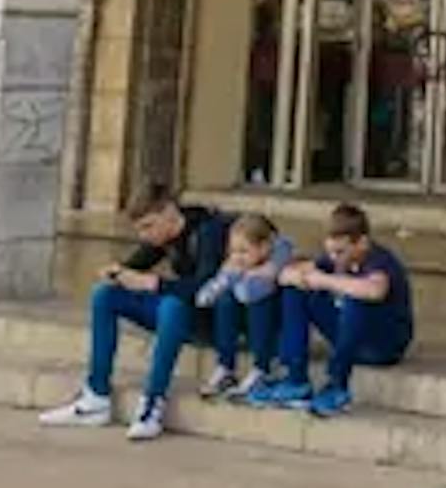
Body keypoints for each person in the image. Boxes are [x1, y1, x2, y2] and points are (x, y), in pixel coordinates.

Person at [38, 182, 230, 443]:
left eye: (148, 226)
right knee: (105, 296)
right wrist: (117, 273)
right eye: (139, 229)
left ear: (169, 213)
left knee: (171, 305)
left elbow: (208, 289)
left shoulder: (209, 232)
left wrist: (154, 283)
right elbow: (136, 263)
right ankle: (96, 396)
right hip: (180, 315)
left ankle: (152, 404)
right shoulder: (163, 237)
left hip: (212, 321)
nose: (144, 235)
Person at [249, 203, 413, 417]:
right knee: (296, 290)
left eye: (340, 252)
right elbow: (293, 273)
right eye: (331, 251)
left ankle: (338, 384)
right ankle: (295, 378)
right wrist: (295, 276)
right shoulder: (334, 258)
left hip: (381, 346)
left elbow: (374, 290)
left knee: (356, 300)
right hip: (349, 337)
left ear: (362, 243)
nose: (335, 258)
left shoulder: (380, 260)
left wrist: (324, 280)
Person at [196, 212, 293, 400]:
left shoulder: (275, 260)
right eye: (233, 251)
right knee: (225, 299)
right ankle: (225, 366)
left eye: (243, 251)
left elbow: (252, 292)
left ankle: (262, 368)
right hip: (244, 318)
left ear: (264, 247)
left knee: (258, 300)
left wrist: (244, 277)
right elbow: (222, 281)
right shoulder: (237, 264)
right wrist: (216, 287)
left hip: (272, 323)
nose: (237, 256)